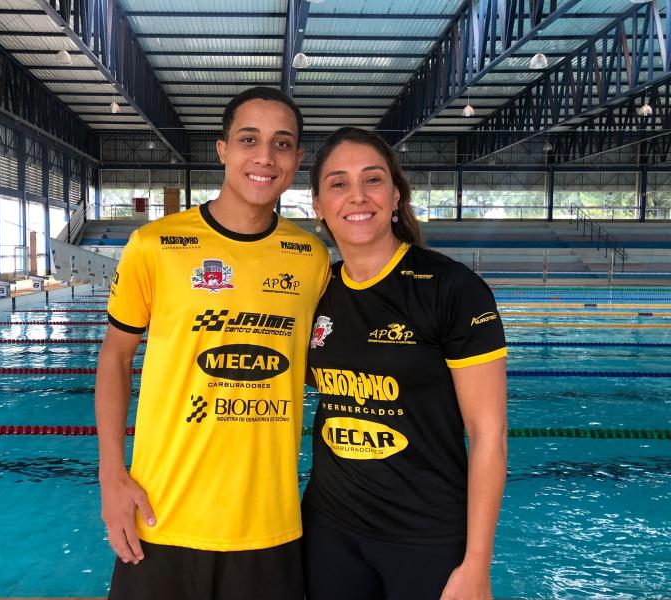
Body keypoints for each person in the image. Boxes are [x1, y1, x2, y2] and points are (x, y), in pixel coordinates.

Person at [95, 87, 331, 600]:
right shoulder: (154, 245)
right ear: (222, 149)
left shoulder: (310, 257)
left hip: (268, 523)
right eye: (249, 139)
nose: (265, 157)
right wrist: (111, 475)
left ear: (297, 160)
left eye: (282, 144)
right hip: (162, 517)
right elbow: (115, 357)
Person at [303, 127, 507, 600]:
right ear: (317, 204)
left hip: (427, 535)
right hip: (329, 529)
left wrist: (477, 564)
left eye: (372, 180)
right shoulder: (317, 291)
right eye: (338, 183)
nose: (358, 196)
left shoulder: (451, 289)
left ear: (395, 194)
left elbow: (488, 435)